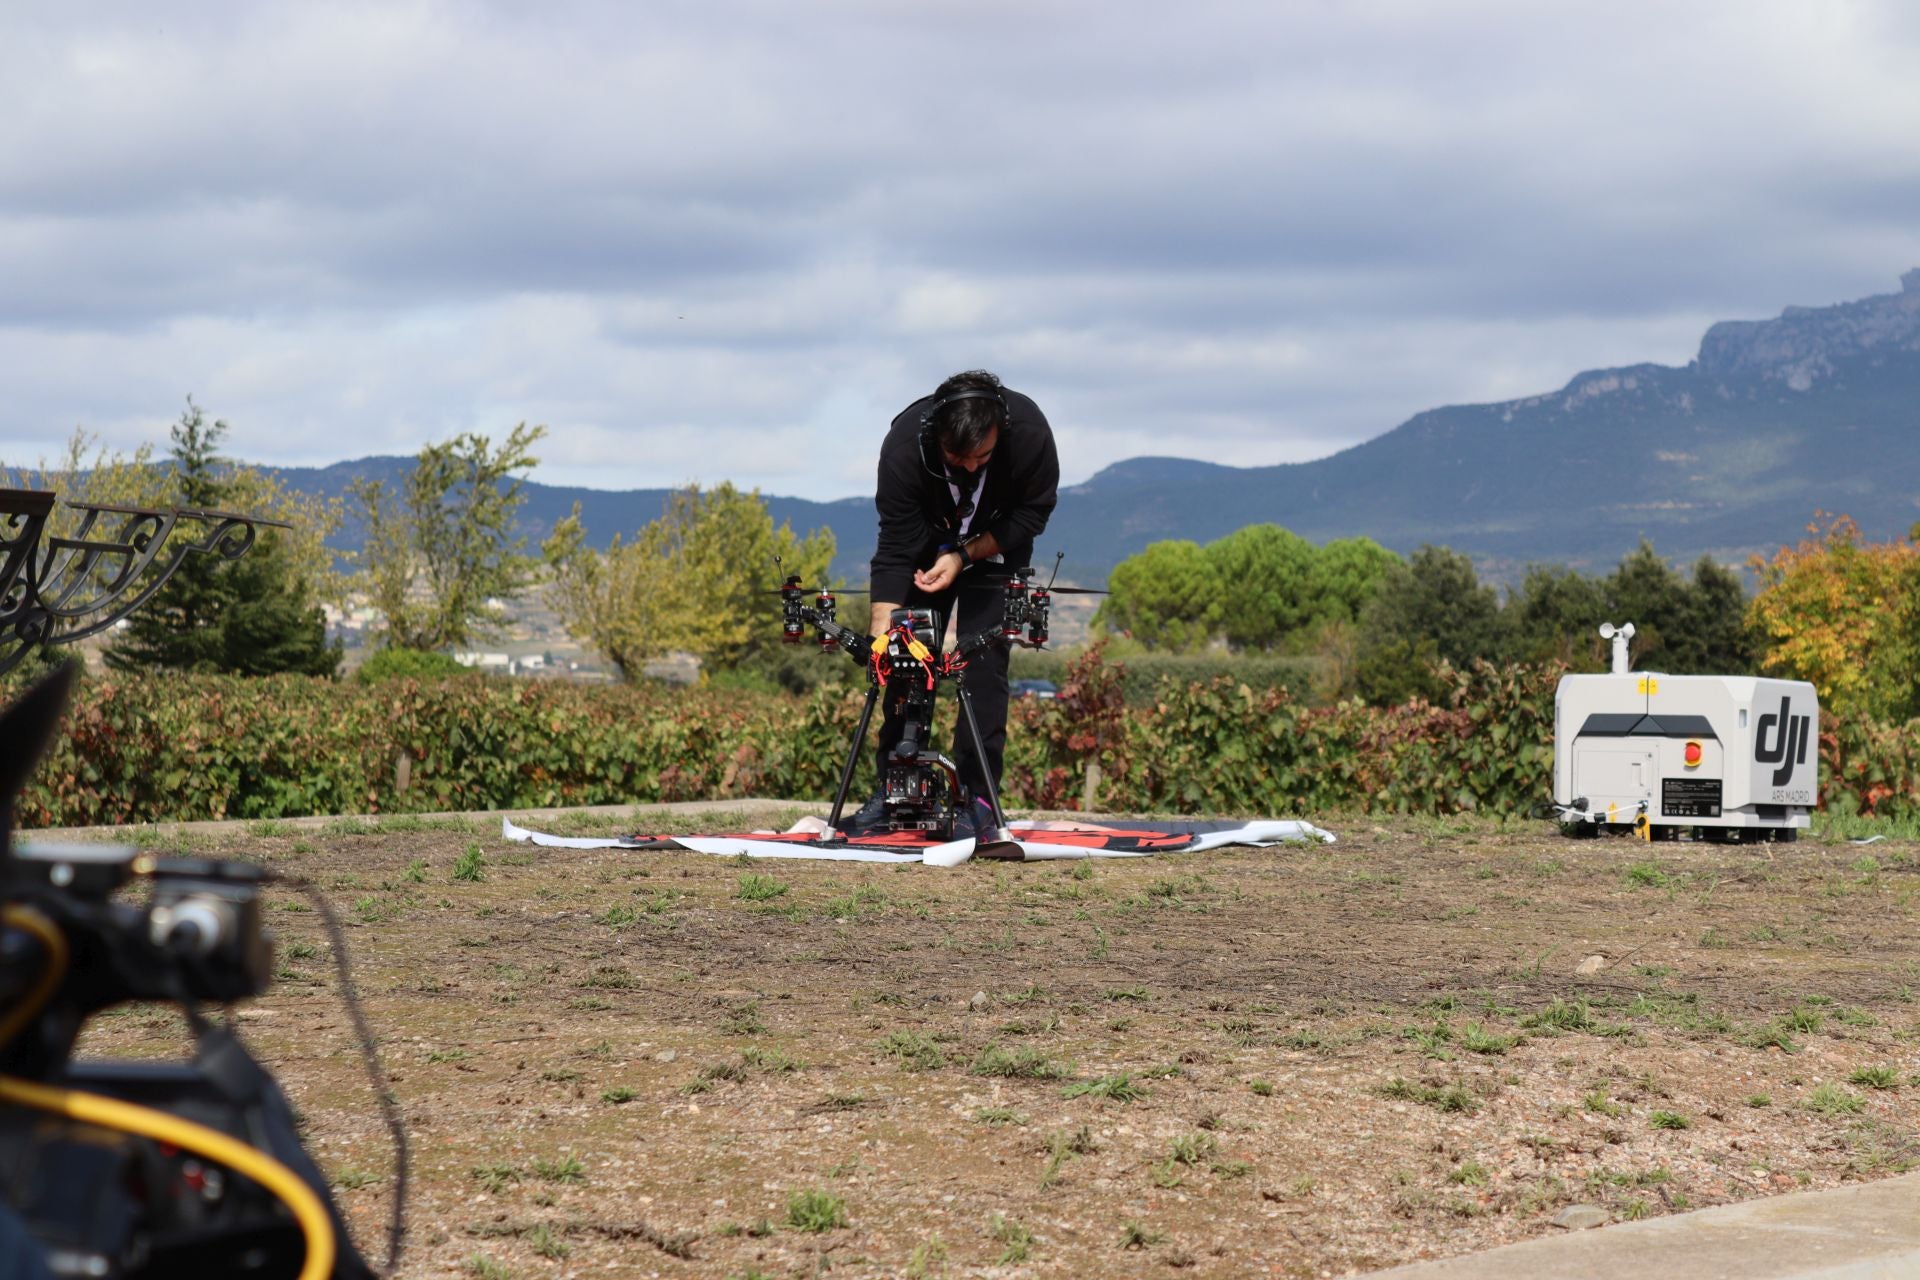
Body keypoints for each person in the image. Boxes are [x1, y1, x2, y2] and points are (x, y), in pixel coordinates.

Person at [854, 370, 1060, 837]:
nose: (969, 468)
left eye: (982, 457)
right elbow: (894, 546)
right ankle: (897, 790)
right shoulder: (905, 446)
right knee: (905, 663)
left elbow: (1033, 512)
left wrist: (966, 554)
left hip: (998, 547)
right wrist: (881, 636)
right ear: (934, 436)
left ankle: (976, 798)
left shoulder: (1029, 434)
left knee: (984, 669)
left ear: (1001, 434)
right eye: (955, 457)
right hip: (924, 550)